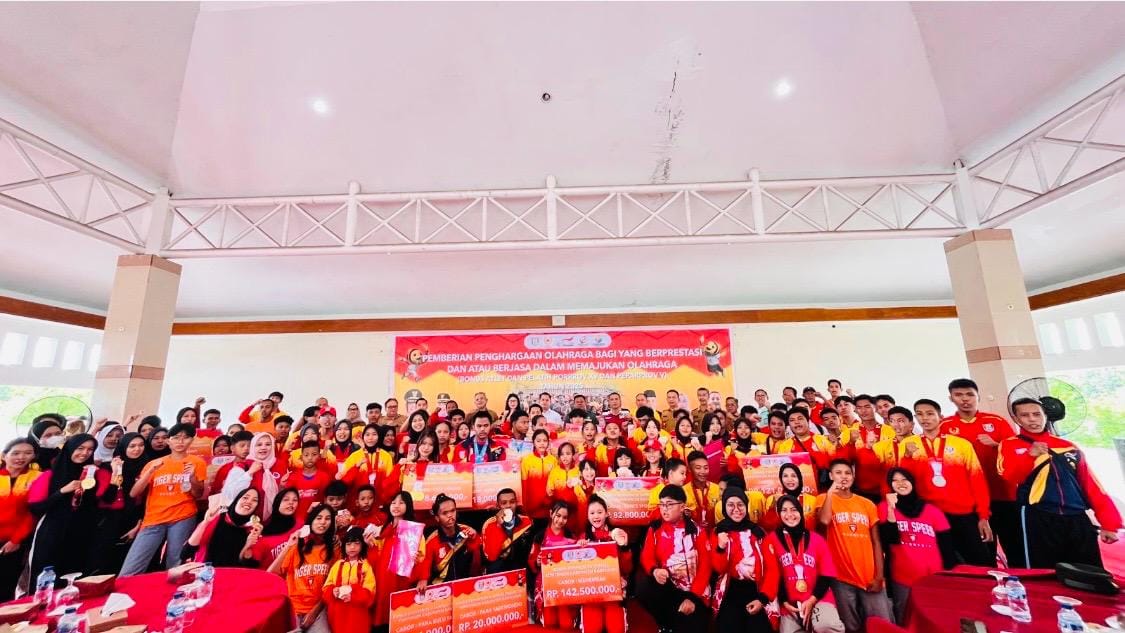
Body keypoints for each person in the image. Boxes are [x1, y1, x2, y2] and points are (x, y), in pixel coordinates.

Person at [998, 397, 1121, 569]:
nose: (1032, 419)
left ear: (1045, 416)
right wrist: (1029, 456)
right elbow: (1010, 476)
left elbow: (1091, 485)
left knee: (1090, 571)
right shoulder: (1009, 445)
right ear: (1016, 419)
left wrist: (1109, 522)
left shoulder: (1068, 446)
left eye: (1036, 414)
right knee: (1045, 572)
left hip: (1076, 516)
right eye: (1025, 415)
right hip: (1039, 516)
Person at [940, 378, 1019, 565]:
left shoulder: (996, 421)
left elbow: (1017, 451)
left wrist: (996, 445)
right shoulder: (944, 426)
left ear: (978, 397)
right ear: (951, 398)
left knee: (1014, 545)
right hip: (970, 500)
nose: (965, 399)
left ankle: (1021, 579)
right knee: (983, 550)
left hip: (1003, 494)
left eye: (970, 394)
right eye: (958, 395)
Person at [906, 399, 993, 566]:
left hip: (963, 513)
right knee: (945, 564)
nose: (925, 418)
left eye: (930, 413)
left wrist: (983, 516)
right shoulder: (908, 445)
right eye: (920, 414)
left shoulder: (961, 444)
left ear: (941, 417)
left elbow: (977, 480)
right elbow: (904, 481)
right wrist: (908, 457)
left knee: (980, 561)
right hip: (930, 514)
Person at [815, 459, 893, 631]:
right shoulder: (822, 499)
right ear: (830, 476)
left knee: (883, 624)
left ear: (853, 476)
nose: (843, 476)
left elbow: (876, 541)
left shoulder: (867, 504)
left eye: (848, 473)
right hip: (840, 577)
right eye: (838, 473)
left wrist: (880, 576)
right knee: (851, 626)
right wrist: (830, 493)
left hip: (869, 576)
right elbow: (824, 521)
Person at [119, 423, 206, 576]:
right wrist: (150, 472)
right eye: (176, 438)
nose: (180, 441)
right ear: (168, 441)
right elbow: (134, 493)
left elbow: (198, 494)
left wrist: (192, 477)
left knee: (176, 564)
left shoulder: (197, 462)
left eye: (186, 438)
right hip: (153, 518)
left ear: (191, 440)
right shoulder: (153, 464)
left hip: (183, 516)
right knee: (132, 567)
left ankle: (175, 590)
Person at [876, 468, 956, 622]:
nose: (900, 483)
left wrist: (947, 578)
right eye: (895, 481)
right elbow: (890, 540)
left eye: (904, 479)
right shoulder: (884, 507)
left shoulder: (932, 510)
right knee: (905, 619)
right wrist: (891, 509)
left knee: (933, 619)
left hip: (933, 578)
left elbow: (947, 549)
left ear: (912, 482)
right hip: (902, 578)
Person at [27, 434, 108, 581]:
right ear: (70, 448)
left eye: (90, 449)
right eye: (80, 448)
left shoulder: (92, 476)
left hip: (80, 535)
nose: (85, 453)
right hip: (52, 533)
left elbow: (100, 503)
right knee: (44, 578)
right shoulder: (49, 475)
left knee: (72, 578)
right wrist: (62, 491)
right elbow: (35, 508)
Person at [764, 495, 845, 633]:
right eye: (784, 510)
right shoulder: (771, 540)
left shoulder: (817, 539)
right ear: (779, 514)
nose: (789, 514)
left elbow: (826, 575)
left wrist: (812, 600)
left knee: (825, 625)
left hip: (818, 598)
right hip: (789, 604)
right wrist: (784, 601)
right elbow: (773, 574)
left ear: (800, 512)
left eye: (793, 509)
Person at [637, 484, 712, 633]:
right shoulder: (655, 529)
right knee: (643, 587)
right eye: (662, 504)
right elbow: (646, 556)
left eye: (669, 504)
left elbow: (706, 566)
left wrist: (693, 597)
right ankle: (664, 623)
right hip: (670, 587)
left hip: (694, 591)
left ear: (682, 506)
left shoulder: (697, 531)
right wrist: (655, 570)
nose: (664, 509)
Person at [711, 484, 777, 633]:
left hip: (757, 589)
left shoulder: (758, 532)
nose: (736, 509)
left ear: (746, 506)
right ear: (724, 507)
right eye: (730, 505)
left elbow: (772, 569)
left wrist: (762, 599)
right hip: (729, 591)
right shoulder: (718, 531)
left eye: (740, 504)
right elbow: (719, 569)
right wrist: (720, 547)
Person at [270, 503, 336, 633]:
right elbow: (271, 573)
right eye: (318, 518)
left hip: (318, 609)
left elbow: (331, 585)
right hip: (293, 609)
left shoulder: (334, 549)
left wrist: (315, 612)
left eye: (327, 518)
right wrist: (289, 545)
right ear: (311, 521)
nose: (323, 522)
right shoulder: (297, 547)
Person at [91, 432, 148, 574]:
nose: (137, 449)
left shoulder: (146, 468)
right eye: (132, 446)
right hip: (108, 520)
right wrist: (116, 473)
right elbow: (107, 498)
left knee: (126, 563)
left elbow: (146, 499)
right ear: (123, 447)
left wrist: (139, 524)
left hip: (134, 520)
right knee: (102, 563)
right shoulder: (107, 468)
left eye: (141, 445)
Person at [581, 495, 631, 633]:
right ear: (587, 516)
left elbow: (627, 568)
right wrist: (578, 549)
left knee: (616, 629)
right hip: (591, 593)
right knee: (592, 629)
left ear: (606, 513)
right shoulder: (583, 538)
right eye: (592, 513)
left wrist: (624, 547)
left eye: (599, 512)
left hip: (613, 591)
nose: (596, 516)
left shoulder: (617, 534)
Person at [369, 491, 418, 633]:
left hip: (399, 580)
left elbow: (419, 558)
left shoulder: (412, 530)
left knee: (398, 617)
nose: (396, 506)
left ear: (408, 506)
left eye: (401, 503)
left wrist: (416, 560)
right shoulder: (384, 529)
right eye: (393, 502)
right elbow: (376, 556)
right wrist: (371, 545)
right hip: (382, 578)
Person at [0, 438, 40, 600]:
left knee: (6, 583)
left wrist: (16, 540)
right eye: (16, 453)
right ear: (4, 455)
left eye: (27, 453)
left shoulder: (37, 478)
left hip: (15, 541)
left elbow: (32, 513)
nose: (21, 457)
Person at [529, 501, 578, 631]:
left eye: (565, 517)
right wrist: (537, 562)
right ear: (551, 514)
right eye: (558, 515)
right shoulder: (539, 537)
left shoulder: (570, 536)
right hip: (545, 583)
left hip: (565, 582)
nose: (561, 520)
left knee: (566, 624)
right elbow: (532, 559)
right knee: (549, 623)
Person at [416, 493, 481, 588]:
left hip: (465, 584)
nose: (450, 515)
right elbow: (425, 563)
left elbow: (476, 555)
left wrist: (474, 538)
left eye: (452, 511)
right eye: (444, 513)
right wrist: (423, 579)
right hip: (442, 587)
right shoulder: (432, 541)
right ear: (437, 518)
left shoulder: (466, 531)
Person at [184, 487, 261, 567]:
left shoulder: (252, 529)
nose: (249, 502)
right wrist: (206, 522)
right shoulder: (217, 518)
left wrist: (247, 546)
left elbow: (251, 566)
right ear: (236, 500)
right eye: (245, 497)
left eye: (254, 500)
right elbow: (186, 553)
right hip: (206, 571)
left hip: (232, 573)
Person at [322, 527, 376, 633]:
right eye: (348, 544)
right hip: (337, 614)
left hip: (358, 615)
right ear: (344, 546)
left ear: (362, 545)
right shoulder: (337, 565)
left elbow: (370, 592)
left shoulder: (366, 566)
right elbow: (326, 588)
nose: (352, 547)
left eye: (356, 543)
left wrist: (353, 596)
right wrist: (333, 591)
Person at [482, 488, 534, 573]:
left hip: (520, 568)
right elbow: (491, 557)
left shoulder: (526, 521)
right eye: (504, 503)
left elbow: (530, 551)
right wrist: (499, 526)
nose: (508, 505)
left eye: (512, 502)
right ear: (498, 505)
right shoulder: (489, 525)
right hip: (499, 570)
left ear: (516, 503)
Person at [246, 487, 300, 569]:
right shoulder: (261, 534)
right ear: (277, 503)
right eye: (286, 499)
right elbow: (251, 566)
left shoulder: (300, 525)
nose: (291, 503)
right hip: (269, 576)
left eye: (295, 500)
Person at [340, 424, 395, 504]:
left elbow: (390, 480)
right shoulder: (355, 456)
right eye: (367, 434)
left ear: (379, 436)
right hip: (358, 501)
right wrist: (356, 467)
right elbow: (345, 479)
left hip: (379, 501)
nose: (370, 438)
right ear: (363, 437)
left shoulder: (386, 456)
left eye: (374, 434)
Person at [761, 463, 817, 532]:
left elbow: (815, 528)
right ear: (781, 479)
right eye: (785, 476)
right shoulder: (772, 499)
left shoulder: (812, 500)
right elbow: (767, 527)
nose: (790, 479)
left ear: (799, 478)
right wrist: (774, 504)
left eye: (793, 476)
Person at [287, 441, 334, 520]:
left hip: (317, 520)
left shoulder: (324, 477)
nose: (310, 458)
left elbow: (327, 500)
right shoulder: (293, 477)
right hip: (295, 520)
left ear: (319, 456)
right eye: (306, 455)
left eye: (314, 454)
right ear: (301, 457)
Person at [520, 429, 557, 522]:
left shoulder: (553, 460)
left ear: (548, 442)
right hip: (531, 506)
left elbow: (555, 484)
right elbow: (524, 485)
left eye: (545, 440)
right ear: (533, 442)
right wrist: (524, 507)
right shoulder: (526, 460)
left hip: (548, 505)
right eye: (538, 441)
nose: (542, 443)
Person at [685, 451, 721, 531]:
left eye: (706, 468)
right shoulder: (683, 491)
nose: (703, 472)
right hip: (693, 532)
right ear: (689, 469)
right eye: (698, 468)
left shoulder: (717, 489)